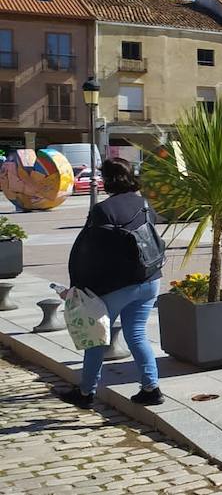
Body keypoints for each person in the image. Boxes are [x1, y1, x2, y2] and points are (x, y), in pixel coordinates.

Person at [58, 158, 166, 408]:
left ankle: (86, 392)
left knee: (96, 338)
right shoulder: (144, 204)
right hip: (149, 279)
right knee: (137, 335)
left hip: (116, 286)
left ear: (107, 180)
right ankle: (151, 388)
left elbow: (89, 252)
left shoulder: (102, 210)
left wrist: (77, 286)